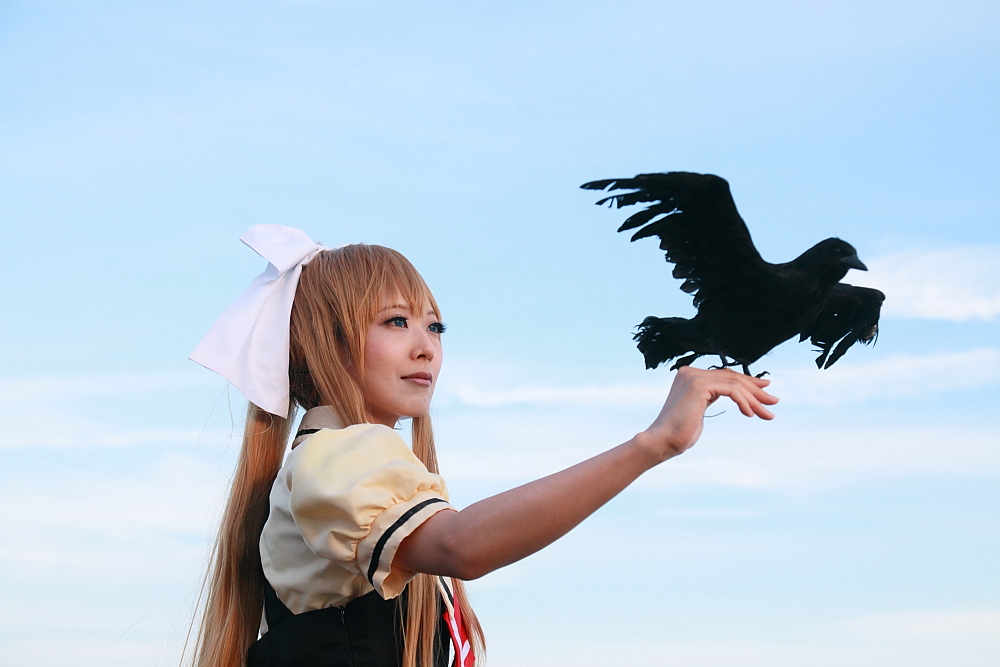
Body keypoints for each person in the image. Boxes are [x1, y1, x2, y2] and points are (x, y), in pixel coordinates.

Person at [187, 225, 778, 667]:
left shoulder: (358, 465)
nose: (426, 346)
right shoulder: (334, 457)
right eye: (396, 322)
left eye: (435, 326)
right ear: (325, 340)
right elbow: (463, 546)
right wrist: (653, 444)